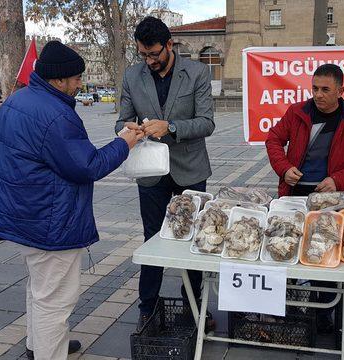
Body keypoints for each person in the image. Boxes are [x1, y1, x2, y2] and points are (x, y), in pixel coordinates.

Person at [0, 41, 143, 360]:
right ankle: (48, 351)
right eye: (77, 78)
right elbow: (87, 165)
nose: (80, 84)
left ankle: (37, 345)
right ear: (58, 80)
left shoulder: (21, 99)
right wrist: (124, 142)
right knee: (55, 299)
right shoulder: (54, 114)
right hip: (48, 219)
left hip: (22, 213)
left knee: (40, 289)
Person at [115, 16, 215, 330]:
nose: (149, 61)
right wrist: (127, 128)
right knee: (152, 240)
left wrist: (169, 127)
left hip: (190, 169)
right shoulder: (132, 76)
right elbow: (121, 121)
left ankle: (195, 309)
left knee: (193, 240)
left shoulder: (197, 72)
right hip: (150, 171)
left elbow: (206, 123)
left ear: (169, 45)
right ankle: (148, 308)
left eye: (154, 54)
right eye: (143, 55)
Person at [265, 63, 344, 332]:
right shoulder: (297, 113)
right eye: (315, 88)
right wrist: (284, 168)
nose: (318, 94)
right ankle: (289, 308)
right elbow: (273, 140)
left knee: (324, 257)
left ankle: (324, 313)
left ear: (341, 91)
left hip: (331, 200)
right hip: (295, 194)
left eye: (325, 89)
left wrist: (337, 180)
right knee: (287, 250)